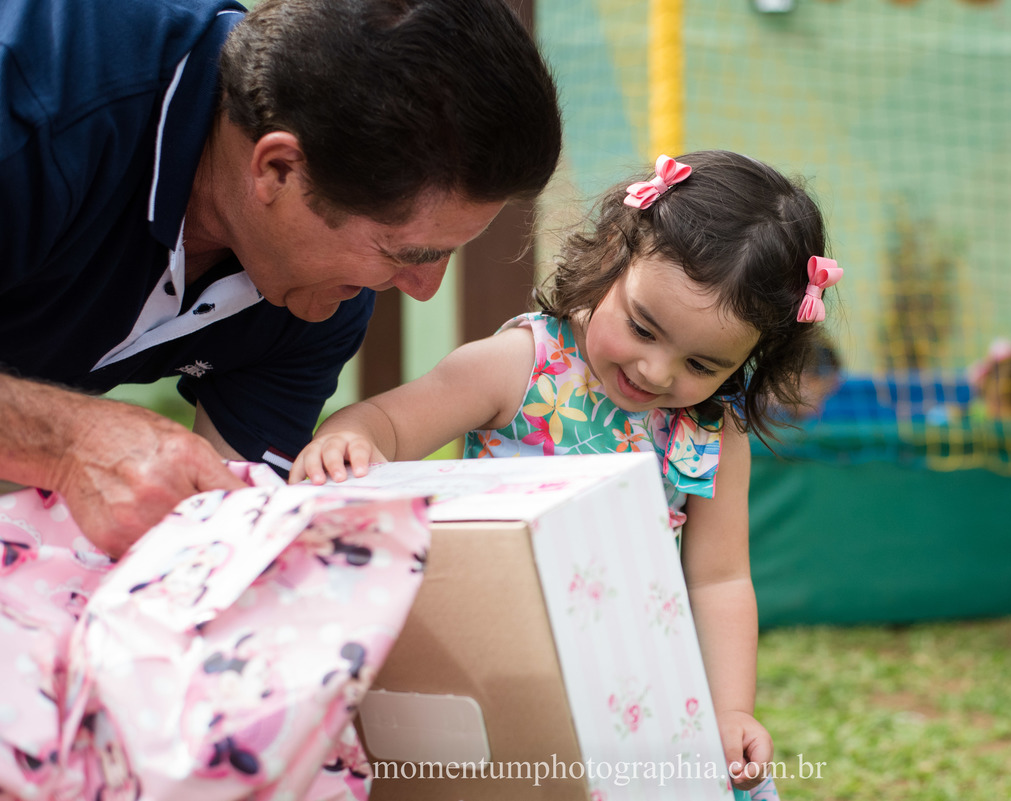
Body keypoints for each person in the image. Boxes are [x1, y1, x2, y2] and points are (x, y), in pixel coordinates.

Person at [291, 150, 842, 798]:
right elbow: (383, 423)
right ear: (611, 254)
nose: (658, 372)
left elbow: (721, 579)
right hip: (493, 662)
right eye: (642, 326)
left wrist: (729, 710)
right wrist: (346, 440)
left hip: (632, 684)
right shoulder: (518, 367)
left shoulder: (709, 430)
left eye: (702, 363)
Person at [0, 0, 563, 558]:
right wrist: (71, 441)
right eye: (404, 252)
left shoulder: (319, 299)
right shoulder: (39, 105)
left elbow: (225, 538)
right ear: (279, 169)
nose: (423, 288)